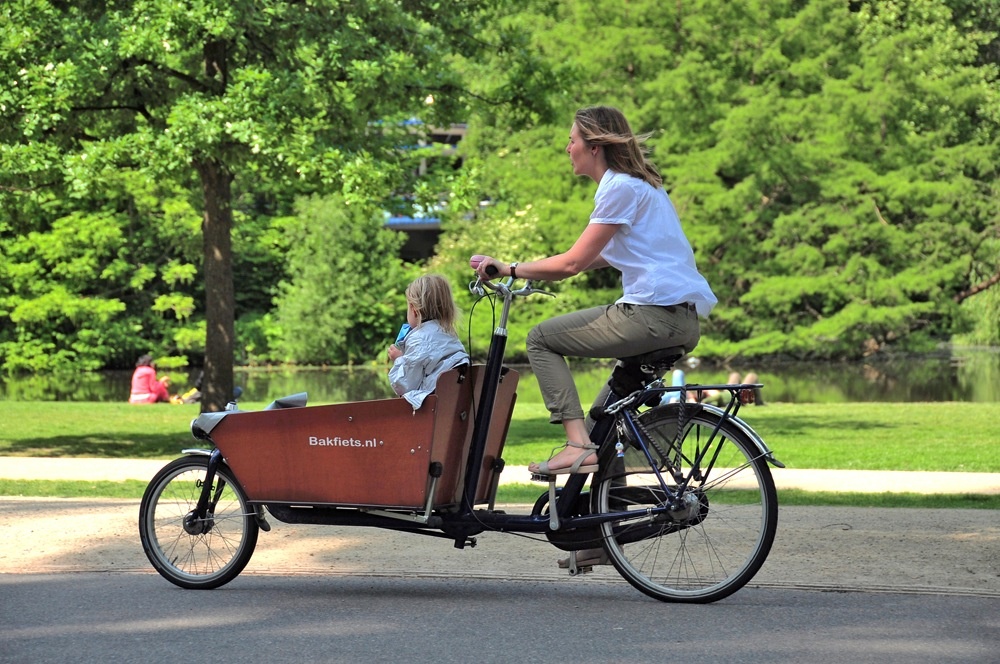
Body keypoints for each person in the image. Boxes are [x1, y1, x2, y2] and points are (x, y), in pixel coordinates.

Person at [472, 105, 718, 478]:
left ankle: (576, 447)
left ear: (594, 147)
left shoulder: (618, 187)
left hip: (651, 314)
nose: (567, 148)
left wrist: (510, 269)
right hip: (682, 320)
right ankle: (608, 521)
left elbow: (571, 264)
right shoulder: (645, 186)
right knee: (605, 422)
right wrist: (527, 268)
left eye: (572, 141)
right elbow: (595, 258)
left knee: (540, 338)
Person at [387, 274, 470, 409]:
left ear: (414, 310)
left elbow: (405, 386)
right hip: (452, 410)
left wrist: (399, 360)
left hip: (430, 414)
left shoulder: (418, 339)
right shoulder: (450, 335)